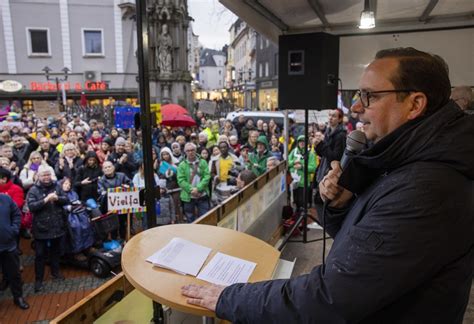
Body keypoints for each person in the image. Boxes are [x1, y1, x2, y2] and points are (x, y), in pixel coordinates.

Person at [180, 47, 474, 323]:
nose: (356, 107)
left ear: (415, 105)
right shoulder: (406, 161)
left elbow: (330, 298)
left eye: (369, 96)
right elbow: (361, 244)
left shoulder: (428, 189)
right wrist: (342, 204)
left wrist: (230, 297)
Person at [28, 165, 68, 293]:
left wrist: (57, 199)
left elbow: (66, 200)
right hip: (41, 228)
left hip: (57, 226)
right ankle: (38, 280)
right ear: (38, 176)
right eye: (43, 175)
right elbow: (31, 207)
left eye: (48, 175)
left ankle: (55, 273)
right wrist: (45, 200)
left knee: (55, 252)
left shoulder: (57, 186)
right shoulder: (34, 190)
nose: (46, 177)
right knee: (40, 255)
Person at [0, 193, 29, 309]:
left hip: (8, 245)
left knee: (14, 273)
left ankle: (18, 297)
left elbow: (17, 214)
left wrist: (14, 229)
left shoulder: (5, 198)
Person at [177, 143, 210, 223]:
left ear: (195, 151)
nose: (190, 152)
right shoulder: (182, 165)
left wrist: (198, 188)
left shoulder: (203, 162)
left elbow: (207, 176)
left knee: (205, 218)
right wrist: (192, 190)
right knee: (190, 219)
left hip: (202, 195)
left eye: (192, 150)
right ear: (185, 152)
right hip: (188, 196)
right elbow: (180, 180)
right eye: (188, 151)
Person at [288, 135, 317, 210]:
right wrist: (294, 162)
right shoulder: (293, 151)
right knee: (294, 203)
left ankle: (303, 220)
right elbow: (287, 163)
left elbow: (313, 168)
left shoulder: (310, 153)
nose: (302, 143)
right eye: (300, 141)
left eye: (303, 141)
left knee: (302, 204)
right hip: (293, 182)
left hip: (303, 183)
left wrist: (302, 167)